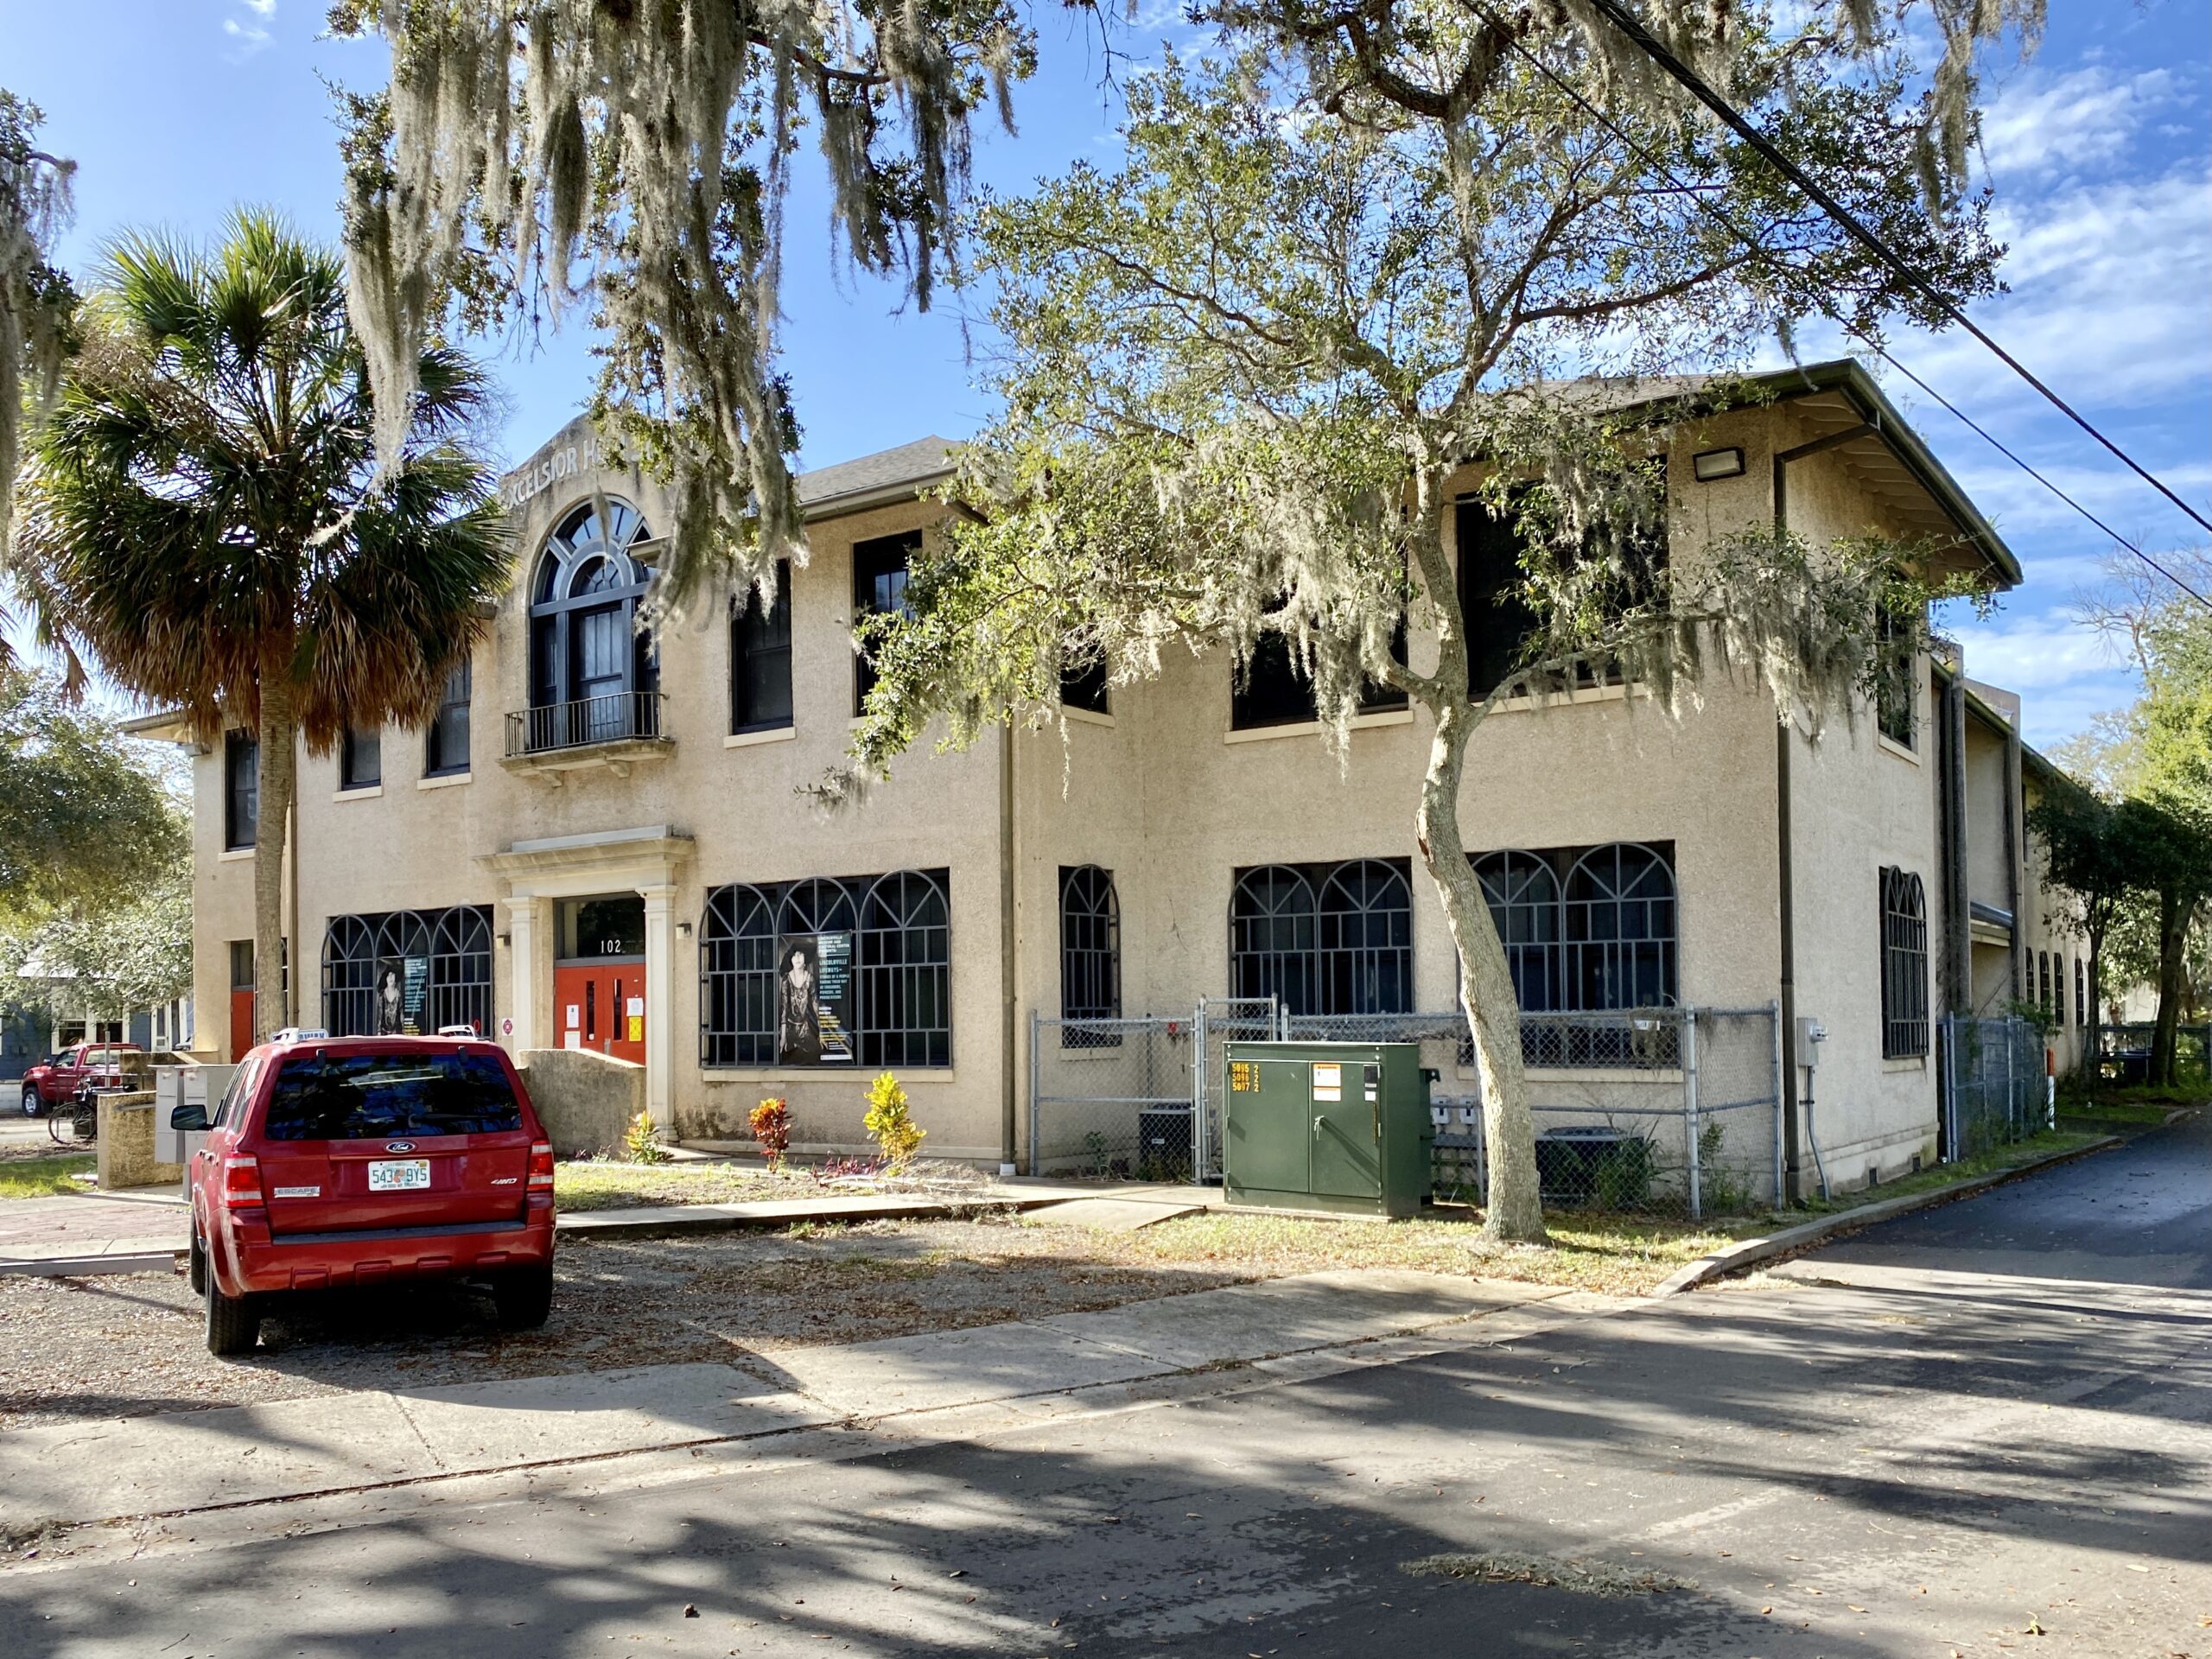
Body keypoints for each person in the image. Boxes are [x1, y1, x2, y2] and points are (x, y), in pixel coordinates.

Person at [779, 943, 818, 1063]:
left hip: (807, 1028)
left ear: (805, 959)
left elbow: (816, 1005)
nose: (797, 957)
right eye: (794, 955)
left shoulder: (810, 978)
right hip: (790, 1029)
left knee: (815, 1056)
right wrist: (783, 1036)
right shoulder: (786, 980)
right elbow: (784, 1009)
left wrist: (822, 1033)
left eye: (800, 954)